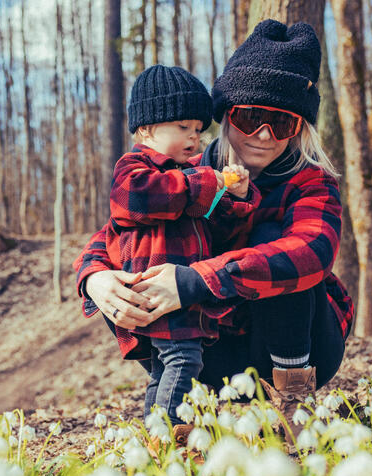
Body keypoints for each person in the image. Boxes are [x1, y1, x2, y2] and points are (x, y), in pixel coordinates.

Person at [74, 20, 354, 443]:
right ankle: (176, 413)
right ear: (225, 116)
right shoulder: (189, 171)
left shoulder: (311, 182)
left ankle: (293, 404)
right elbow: (119, 228)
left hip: (299, 347)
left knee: (274, 248)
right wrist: (95, 279)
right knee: (135, 265)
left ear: (302, 129)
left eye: (283, 123)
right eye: (251, 117)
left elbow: (309, 251)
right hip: (209, 344)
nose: (263, 134)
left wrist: (192, 282)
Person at [90, 64, 256, 431]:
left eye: (198, 130)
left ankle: (156, 433)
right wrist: (203, 182)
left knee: (167, 366)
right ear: (146, 129)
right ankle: (168, 430)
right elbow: (135, 199)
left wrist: (237, 197)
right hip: (151, 286)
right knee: (184, 360)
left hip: (180, 291)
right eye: (183, 128)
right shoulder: (134, 167)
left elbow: (217, 225)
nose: (194, 139)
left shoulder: (188, 174)